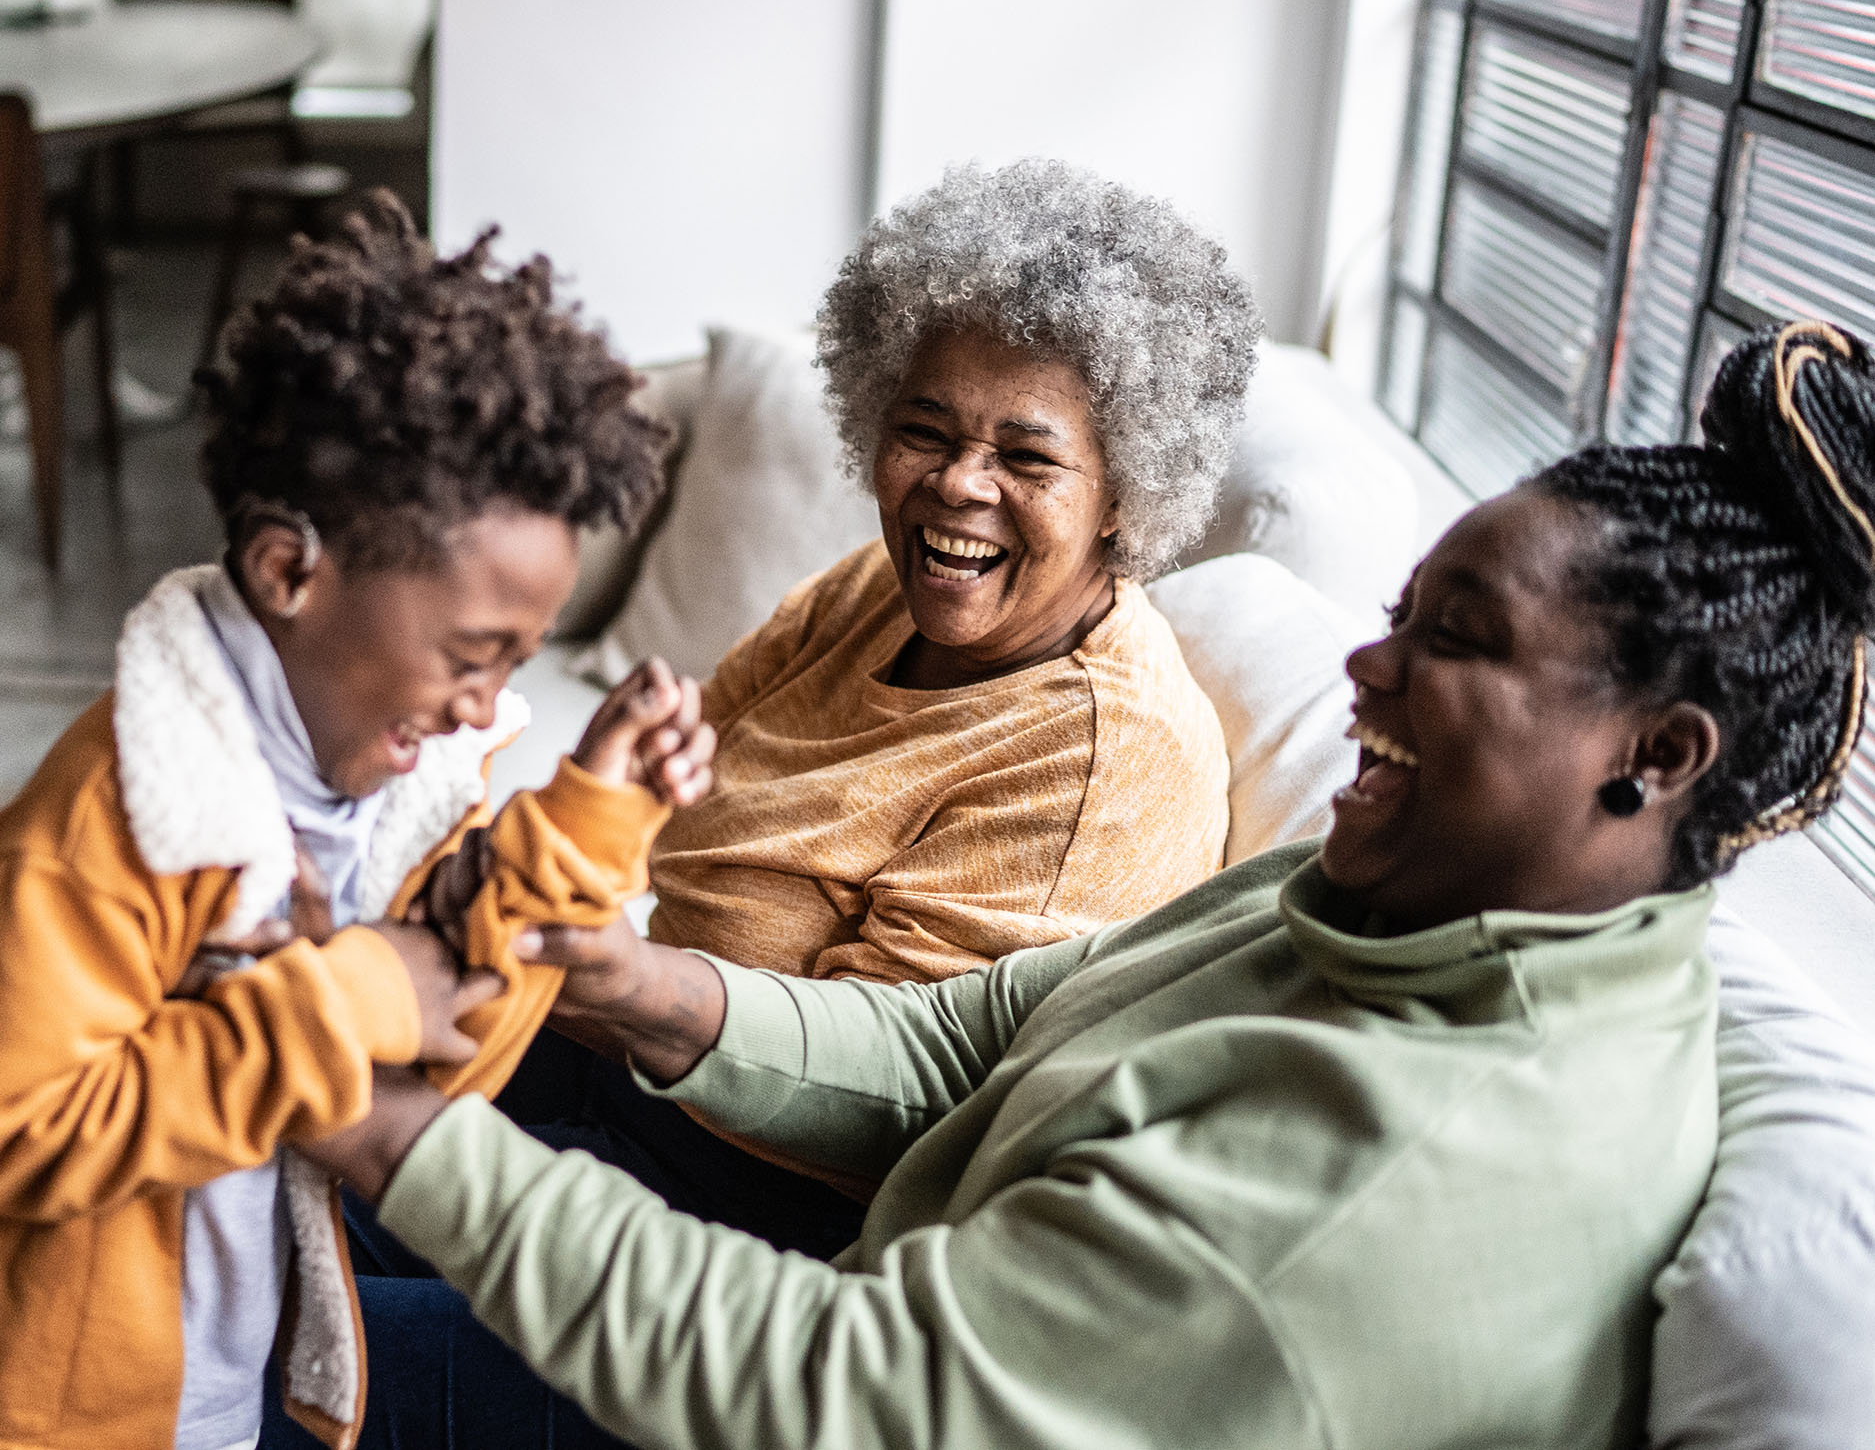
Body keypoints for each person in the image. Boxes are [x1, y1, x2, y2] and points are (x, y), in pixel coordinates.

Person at [280, 322, 1875, 1450]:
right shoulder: (1394, 898)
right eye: (1400, 611)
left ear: (1653, 756)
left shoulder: (1374, 1189)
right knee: (210, 1195)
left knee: (214, 1344)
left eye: (1449, 641)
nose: (1364, 666)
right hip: (858, 1312)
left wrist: (398, 1136)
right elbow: (967, 1038)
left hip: (826, 1372)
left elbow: (846, 1384)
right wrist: (638, 980)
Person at [0, 192, 713, 1450]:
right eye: (472, 653)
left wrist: (584, 830)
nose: (490, 705)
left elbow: (441, 1073)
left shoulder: (392, 785)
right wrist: (344, 996)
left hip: (248, 1376)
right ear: (289, 571)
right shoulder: (108, 824)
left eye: (520, 659)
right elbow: (24, 1137)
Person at [501, 158, 1258, 1245]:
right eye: (927, 430)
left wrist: (612, 983)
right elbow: (678, 784)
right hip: (611, 1060)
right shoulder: (877, 587)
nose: (958, 482)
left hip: (751, 1219)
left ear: (1125, 496)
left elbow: (877, 1101)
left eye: (1025, 455)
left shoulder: (1107, 763)